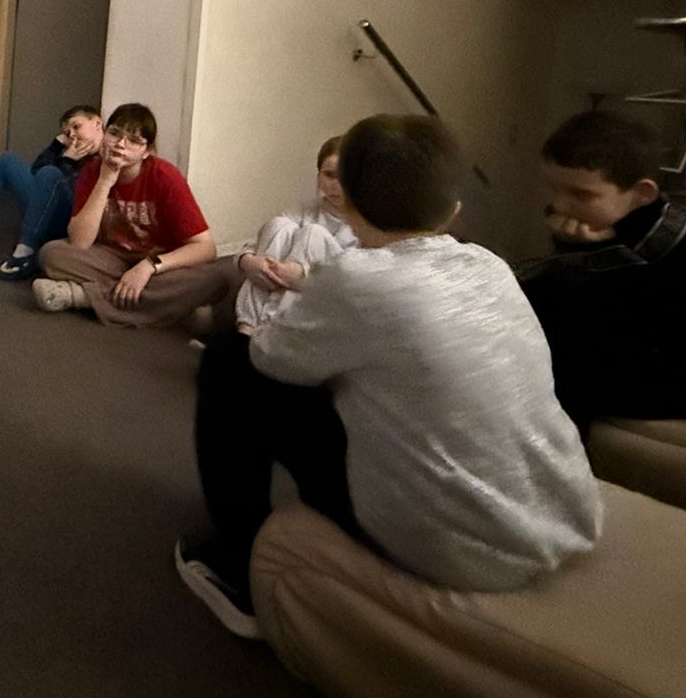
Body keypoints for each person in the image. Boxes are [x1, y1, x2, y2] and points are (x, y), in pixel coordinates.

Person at [178, 114, 602, 640]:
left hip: (457, 548)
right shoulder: (492, 266)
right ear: (453, 209)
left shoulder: (357, 277)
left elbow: (271, 358)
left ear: (350, 204)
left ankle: (239, 571)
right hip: (565, 515)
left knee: (229, 361)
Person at [518, 109, 686, 433]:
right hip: (665, 343)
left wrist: (577, 252)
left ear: (642, 193)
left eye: (581, 194)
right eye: (554, 188)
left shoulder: (677, 239)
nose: (560, 205)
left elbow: (608, 305)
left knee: (550, 344)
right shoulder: (649, 212)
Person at [32, 103, 228, 327]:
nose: (120, 144)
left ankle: (81, 297)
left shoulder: (165, 176)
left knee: (216, 279)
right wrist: (105, 180)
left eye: (134, 140)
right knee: (51, 254)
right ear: (105, 134)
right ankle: (169, 305)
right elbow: (80, 242)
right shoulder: (92, 171)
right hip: (112, 258)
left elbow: (205, 248)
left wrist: (147, 267)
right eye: (114, 133)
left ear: (147, 151)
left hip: (159, 261)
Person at [0, 103, 104, 279]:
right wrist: (56, 147)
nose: (72, 135)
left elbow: (77, 193)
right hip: (45, 207)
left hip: (71, 222)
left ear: (97, 123)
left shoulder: (107, 155)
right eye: (68, 133)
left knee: (50, 173)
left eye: (77, 126)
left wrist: (67, 162)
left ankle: (26, 250)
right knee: (7, 160)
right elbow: (36, 171)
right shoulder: (70, 150)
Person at [231, 136, 357, 338]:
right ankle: (246, 329)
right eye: (329, 175)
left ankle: (269, 330)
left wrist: (302, 276)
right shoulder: (307, 209)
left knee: (313, 233)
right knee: (279, 225)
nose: (336, 185)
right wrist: (249, 262)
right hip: (269, 291)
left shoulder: (366, 223)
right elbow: (253, 246)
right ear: (318, 176)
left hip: (316, 304)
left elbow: (353, 281)